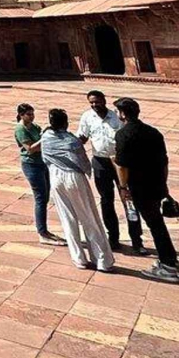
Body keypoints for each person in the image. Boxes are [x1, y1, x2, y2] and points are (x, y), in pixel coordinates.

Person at [113, 97, 179, 280]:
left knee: (155, 225)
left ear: (122, 114)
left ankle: (168, 266)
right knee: (157, 223)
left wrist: (123, 187)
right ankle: (171, 260)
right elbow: (164, 162)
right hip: (157, 184)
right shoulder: (154, 132)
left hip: (140, 186)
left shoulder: (123, 134)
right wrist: (163, 185)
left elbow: (122, 166)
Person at [39, 109, 114, 271]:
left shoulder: (46, 137)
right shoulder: (72, 141)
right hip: (74, 177)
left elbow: (44, 158)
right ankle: (102, 260)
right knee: (89, 217)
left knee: (67, 219)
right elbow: (83, 161)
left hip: (55, 176)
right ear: (65, 123)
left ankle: (79, 259)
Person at [78, 90, 143, 254]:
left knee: (128, 200)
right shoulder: (87, 117)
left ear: (104, 100)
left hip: (119, 162)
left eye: (97, 101)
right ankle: (113, 238)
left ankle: (137, 239)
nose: (94, 105)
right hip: (100, 162)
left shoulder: (117, 117)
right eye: (91, 102)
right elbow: (82, 137)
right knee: (106, 201)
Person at [14, 103, 62, 247]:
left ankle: (45, 230)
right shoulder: (20, 129)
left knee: (45, 196)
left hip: (42, 162)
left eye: (32, 114)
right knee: (40, 198)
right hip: (31, 165)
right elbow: (30, 149)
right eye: (28, 114)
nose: (31, 116)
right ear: (21, 115)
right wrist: (45, 138)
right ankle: (42, 232)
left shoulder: (34, 126)